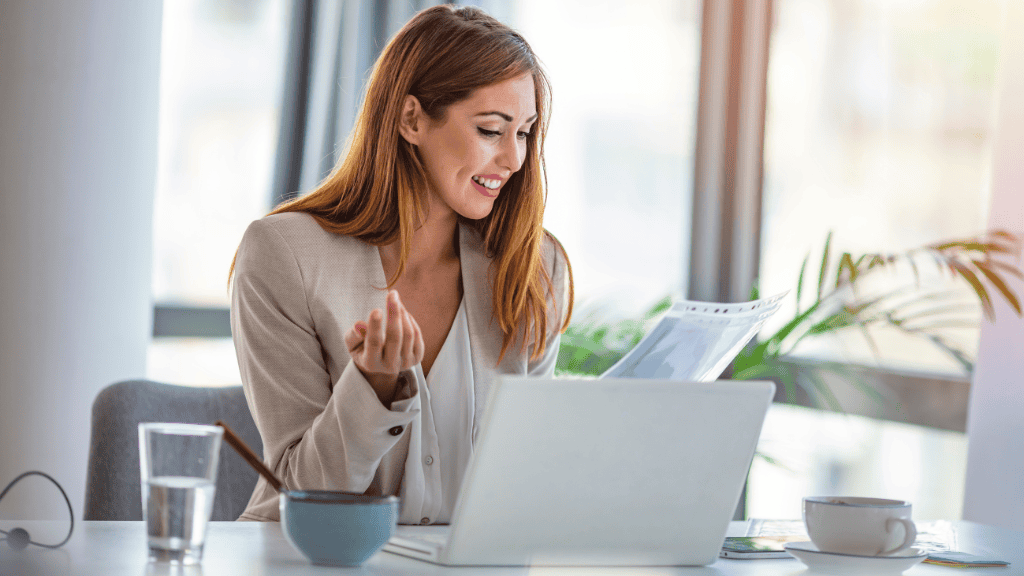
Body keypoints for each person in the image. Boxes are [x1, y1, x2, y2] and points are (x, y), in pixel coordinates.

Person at [228, 4, 573, 524]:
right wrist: (372, 389)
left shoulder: (531, 265)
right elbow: (297, 488)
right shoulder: (284, 255)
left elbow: (524, 480)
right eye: (490, 129)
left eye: (524, 132)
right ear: (412, 119)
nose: (515, 159)